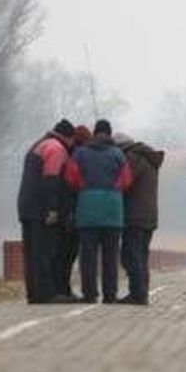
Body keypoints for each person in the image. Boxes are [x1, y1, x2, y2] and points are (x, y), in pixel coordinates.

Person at [64, 120, 133, 303]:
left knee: (88, 255)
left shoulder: (80, 153)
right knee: (111, 256)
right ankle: (110, 295)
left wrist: (85, 187)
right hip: (113, 210)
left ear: (94, 133)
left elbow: (71, 178)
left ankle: (89, 294)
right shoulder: (118, 154)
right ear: (110, 135)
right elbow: (126, 181)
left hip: (87, 209)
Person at [17, 119, 77, 303]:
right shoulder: (57, 149)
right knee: (44, 252)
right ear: (68, 137)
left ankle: (34, 293)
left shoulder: (39, 144)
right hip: (41, 208)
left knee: (31, 252)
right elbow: (51, 180)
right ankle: (46, 294)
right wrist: (52, 209)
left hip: (26, 206)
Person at [113, 133, 165, 305]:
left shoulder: (133, 158)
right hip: (149, 216)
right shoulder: (149, 159)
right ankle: (141, 293)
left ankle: (137, 294)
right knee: (141, 255)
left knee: (130, 255)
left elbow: (124, 183)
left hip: (135, 215)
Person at [57, 124, 92, 299]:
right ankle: (64, 289)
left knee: (64, 252)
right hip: (75, 208)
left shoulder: (69, 153)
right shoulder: (82, 156)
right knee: (70, 253)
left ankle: (62, 288)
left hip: (67, 208)